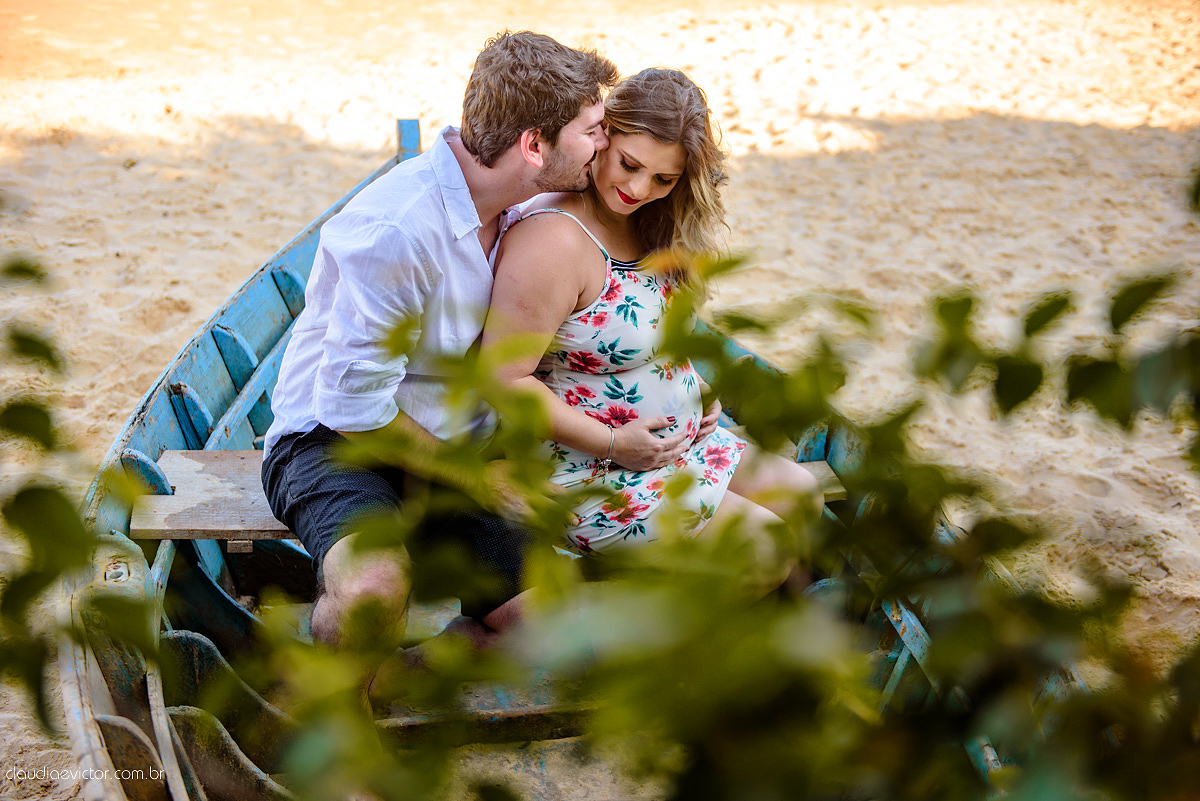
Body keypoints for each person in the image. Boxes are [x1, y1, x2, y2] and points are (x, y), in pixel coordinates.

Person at [260, 31, 619, 691]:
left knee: (549, 625)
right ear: (534, 145)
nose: (602, 145)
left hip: (446, 444)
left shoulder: (527, 202)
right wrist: (482, 483)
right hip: (334, 441)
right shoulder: (399, 231)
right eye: (591, 131)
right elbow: (350, 411)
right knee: (373, 584)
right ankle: (343, 733)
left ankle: (404, 668)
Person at [483, 68, 823, 589]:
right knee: (764, 546)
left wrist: (695, 390)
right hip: (592, 468)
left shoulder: (652, 225)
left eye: (664, 180)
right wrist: (615, 442)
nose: (639, 190)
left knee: (802, 497)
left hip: (670, 448)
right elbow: (503, 378)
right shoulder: (553, 240)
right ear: (604, 135)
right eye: (629, 164)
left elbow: (647, 336)